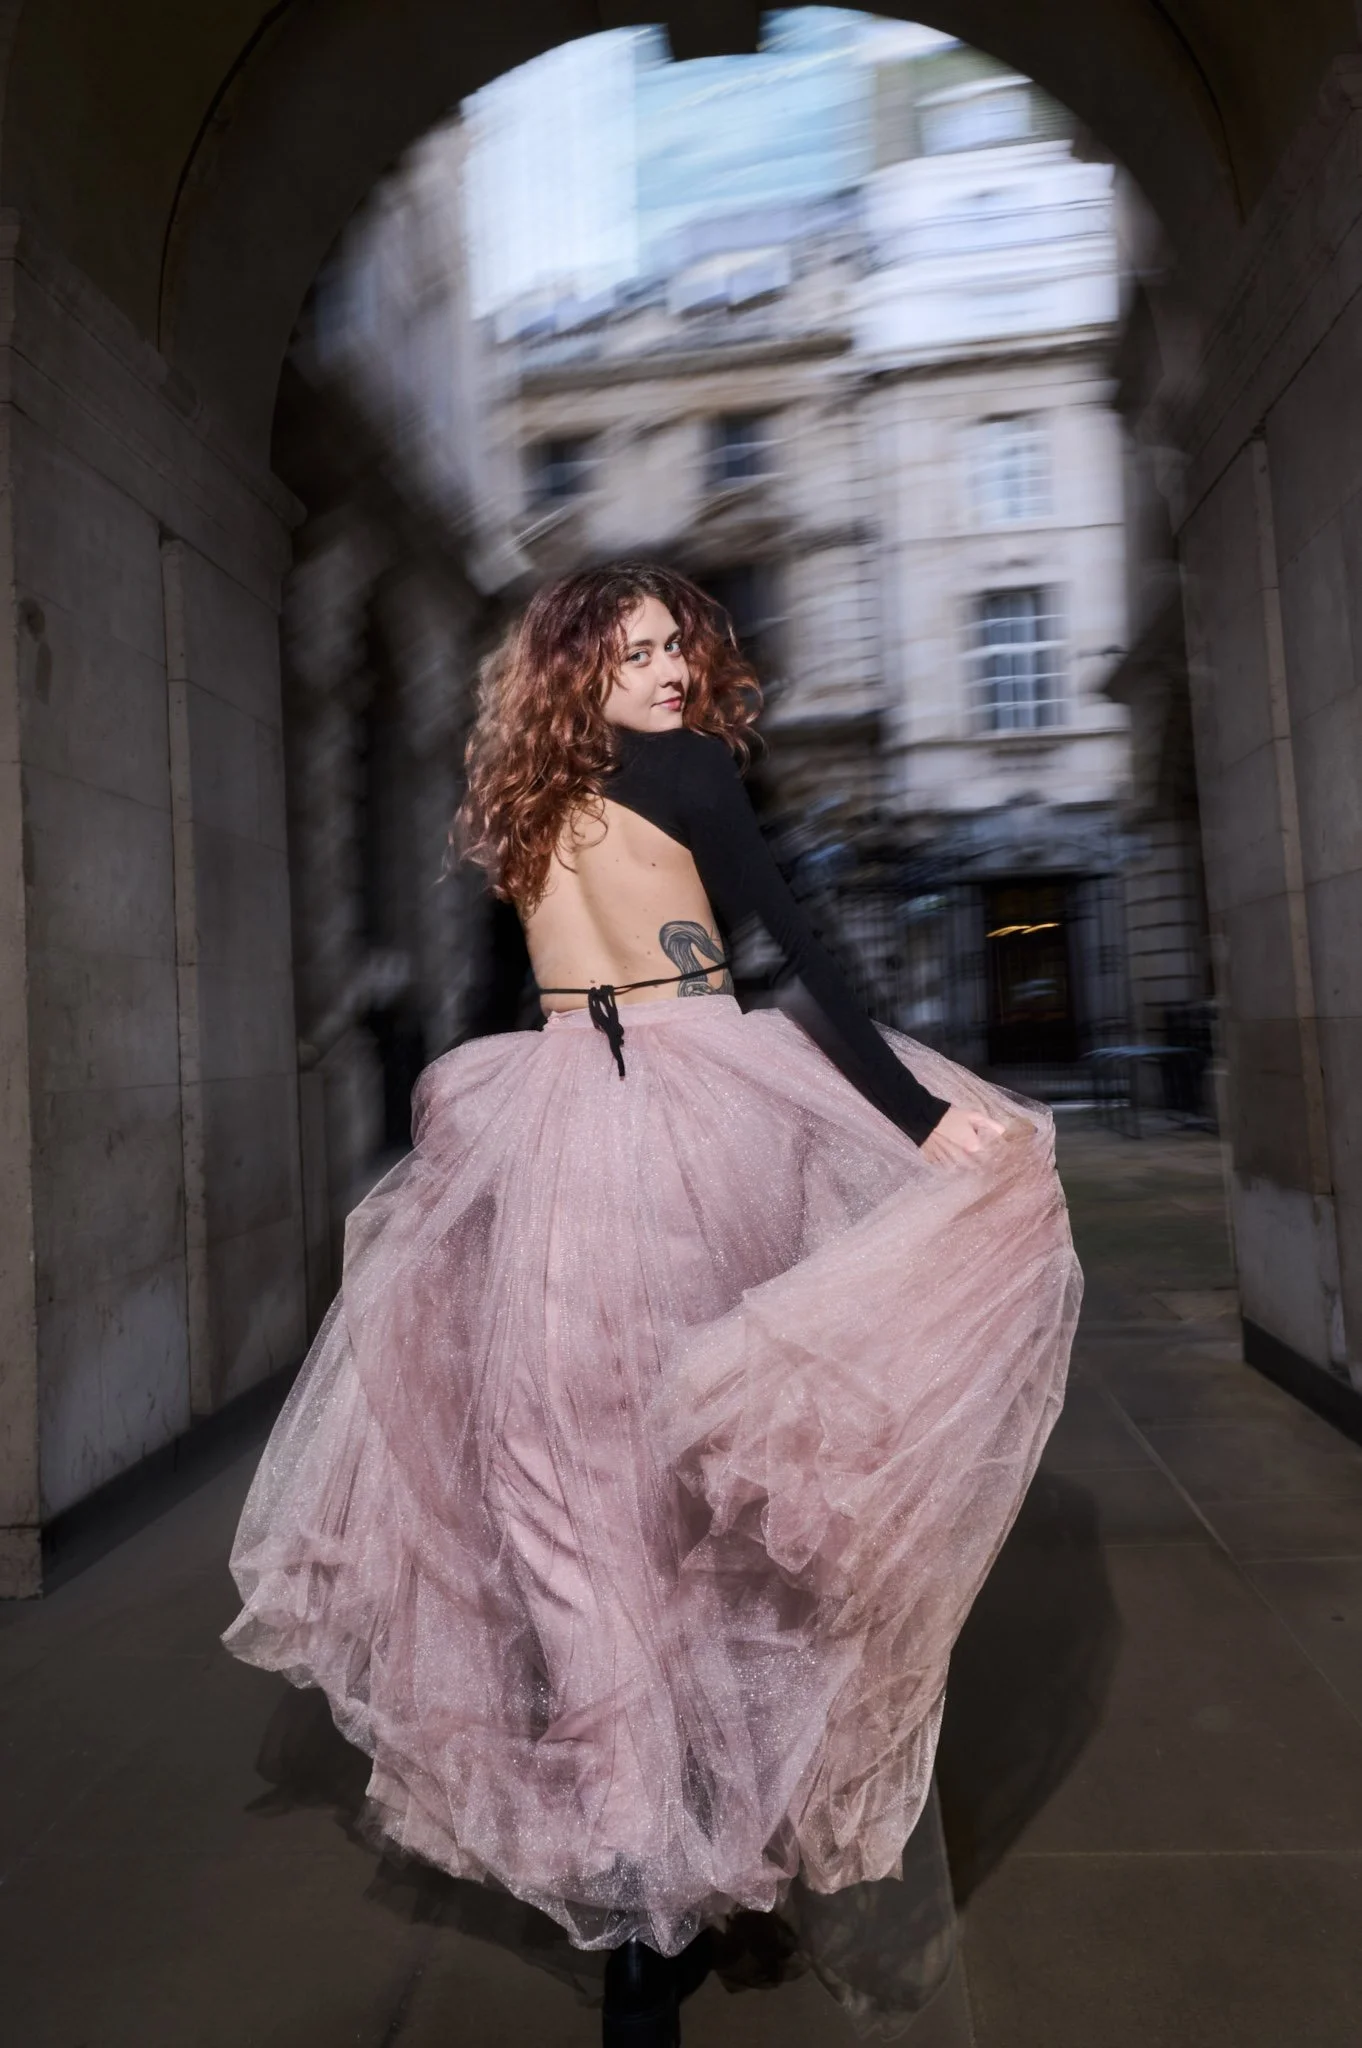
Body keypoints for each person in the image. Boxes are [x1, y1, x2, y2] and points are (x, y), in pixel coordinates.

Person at [223, 563, 1081, 2045]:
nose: (672, 670)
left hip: (552, 1115)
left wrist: (465, 1165)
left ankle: (639, 1895)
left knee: (563, 1486)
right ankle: (681, 1855)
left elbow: (491, 1002)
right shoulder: (688, 773)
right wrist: (918, 1114)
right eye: (636, 652)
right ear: (582, 666)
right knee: (686, 1470)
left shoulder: (513, 793)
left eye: (677, 645)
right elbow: (799, 948)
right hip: (690, 1112)